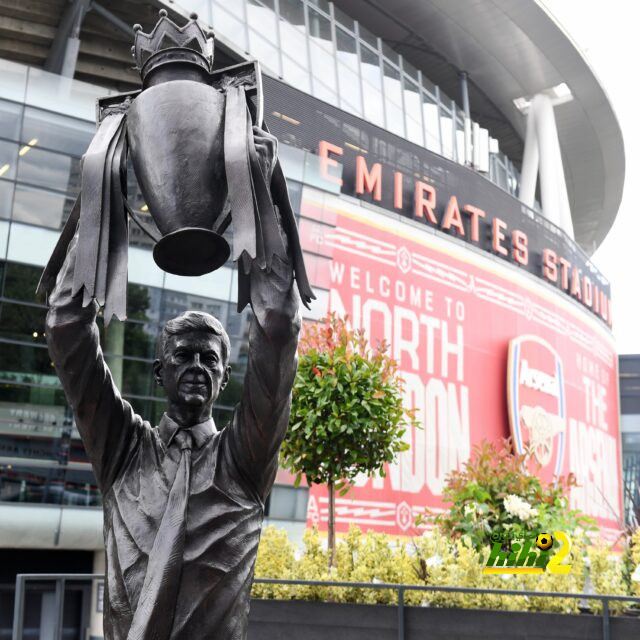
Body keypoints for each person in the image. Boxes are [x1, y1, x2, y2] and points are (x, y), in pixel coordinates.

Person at [45, 129, 301, 640]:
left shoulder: (243, 462)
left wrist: (260, 194)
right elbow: (65, 326)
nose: (197, 367)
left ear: (226, 379)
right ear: (160, 372)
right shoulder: (122, 450)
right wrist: (101, 197)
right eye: (183, 356)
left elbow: (277, 328)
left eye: (211, 359)